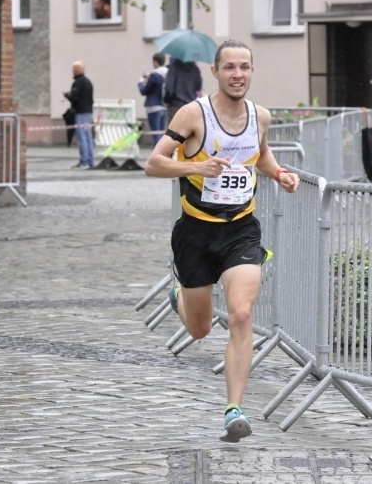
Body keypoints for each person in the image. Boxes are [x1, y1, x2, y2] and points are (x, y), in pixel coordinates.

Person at [144, 39, 300, 442]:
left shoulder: (259, 116)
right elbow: (154, 163)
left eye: (244, 67)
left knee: (242, 314)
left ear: (252, 71)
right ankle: (179, 298)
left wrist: (280, 173)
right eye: (229, 67)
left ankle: (234, 410)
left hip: (240, 230)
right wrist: (198, 165)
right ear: (214, 72)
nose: (237, 74)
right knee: (198, 330)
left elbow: (258, 154)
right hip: (195, 233)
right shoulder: (193, 114)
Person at [63, 61, 94, 168]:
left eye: (73, 69)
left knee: (82, 138)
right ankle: (90, 160)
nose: (72, 71)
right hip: (88, 112)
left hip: (80, 113)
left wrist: (67, 95)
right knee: (88, 137)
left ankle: (84, 161)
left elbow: (75, 98)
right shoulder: (88, 82)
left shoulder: (78, 83)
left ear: (76, 70)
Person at [138, 52, 168, 146]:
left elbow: (144, 91)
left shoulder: (154, 75)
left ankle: (157, 157)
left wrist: (140, 82)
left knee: (156, 135)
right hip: (164, 106)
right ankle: (164, 157)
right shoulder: (168, 74)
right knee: (162, 134)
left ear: (155, 62)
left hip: (153, 107)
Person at [163, 57, 203, 127]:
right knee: (188, 135)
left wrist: (167, 100)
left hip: (175, 105)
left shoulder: (174, 66)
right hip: (190, 106)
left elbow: (169, 88)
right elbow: (198, 87)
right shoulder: (195, 69)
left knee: (173, 135)